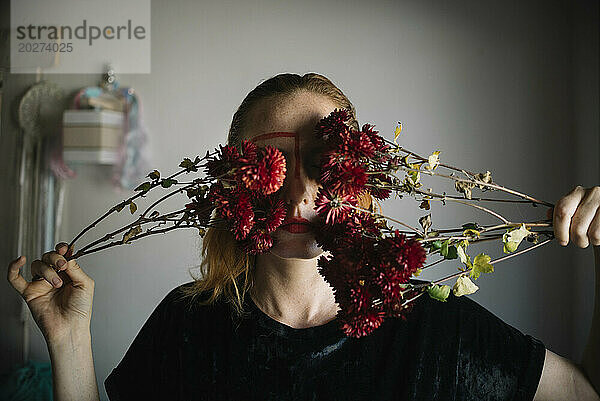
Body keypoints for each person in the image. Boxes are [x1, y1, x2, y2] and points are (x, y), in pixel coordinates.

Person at [7, 73, 600, 401]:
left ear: (363, 174)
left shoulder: (434, 330)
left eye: (323, 161)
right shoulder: (186, 326)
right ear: (229, 181)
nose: (299, 196)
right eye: (272, 164)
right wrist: (69, 340)